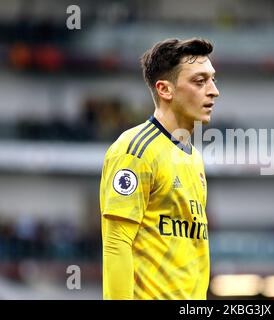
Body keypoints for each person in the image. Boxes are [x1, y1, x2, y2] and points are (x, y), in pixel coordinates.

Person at [99, 38, 220, 300]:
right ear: (165, 90)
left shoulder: (194, 158)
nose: (213, 91)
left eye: (213, 80)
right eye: (200, 81)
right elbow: (116, 244)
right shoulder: (135, 150)